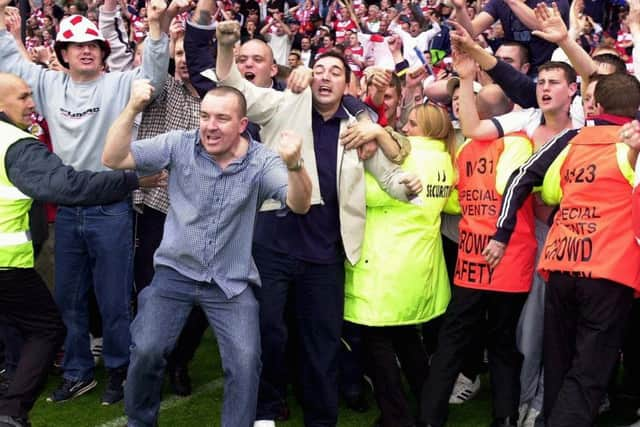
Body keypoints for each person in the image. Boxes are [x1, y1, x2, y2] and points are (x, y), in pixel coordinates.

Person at [212, 20, 423, 427]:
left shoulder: (357, 129)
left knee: (322, 344)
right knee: (268, 334)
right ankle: (265, 410)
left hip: (325, 254)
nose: (325, 77)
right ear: (308, 76)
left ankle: (321, 419)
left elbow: (392, 178)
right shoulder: (282, 104)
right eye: (319, 69)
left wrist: (409, 185)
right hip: (273, 242)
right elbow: (236, 86)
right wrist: (225, 46)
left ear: (348, 85)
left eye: (336, 72)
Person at [102, 81, 312, 427]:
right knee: (147, 350)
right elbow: (112, 158)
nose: (210, 126)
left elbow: (299, 204)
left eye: (222, 119)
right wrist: (132, 108)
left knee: (246, 361)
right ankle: (140, 421)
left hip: (231, 283)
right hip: (174, 274)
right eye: (205, 116)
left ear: (242, 125)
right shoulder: (178, 144)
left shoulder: (262, 160)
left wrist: (294, 165)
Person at [0, 0, 171, 405]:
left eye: (93, 43)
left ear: (103, 50)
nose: (86, 50)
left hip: (111, 206)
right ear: (63, 53)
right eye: (76, 46)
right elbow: (8, 58)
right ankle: (77, 371)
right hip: (67, 210)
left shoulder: (117, 84)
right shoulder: (45, 84)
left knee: (113, 298)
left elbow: (154, 78)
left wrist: (156, 30)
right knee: (67, 298)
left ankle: (118, 369)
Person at [484, 72, 640, 427]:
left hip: (561, 265)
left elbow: (521, 177)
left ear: (596, 106)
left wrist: (501, 232)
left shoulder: (572, 138)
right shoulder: (630, 144)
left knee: (559, 366)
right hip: (609, 272)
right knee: (588, 375)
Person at [419, 62, 537, 426]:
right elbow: (510, 189)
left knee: (451, 345)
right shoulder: (520, 144)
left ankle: (429, 418)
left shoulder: (467, 151)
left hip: (471, 260)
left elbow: (455, 201)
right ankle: (503, 418)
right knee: (502, 345)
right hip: (509, 260)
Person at [344, 103, 456, 427]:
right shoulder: (446, 160)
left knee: (376, 344)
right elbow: (451, 202)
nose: (406, 129)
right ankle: (430, 408)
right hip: (420, 261)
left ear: (429, 128)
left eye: (412, 124)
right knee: (408, 340)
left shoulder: (409, 155)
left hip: (387, 261)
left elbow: (376, 194)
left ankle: (396, 416)